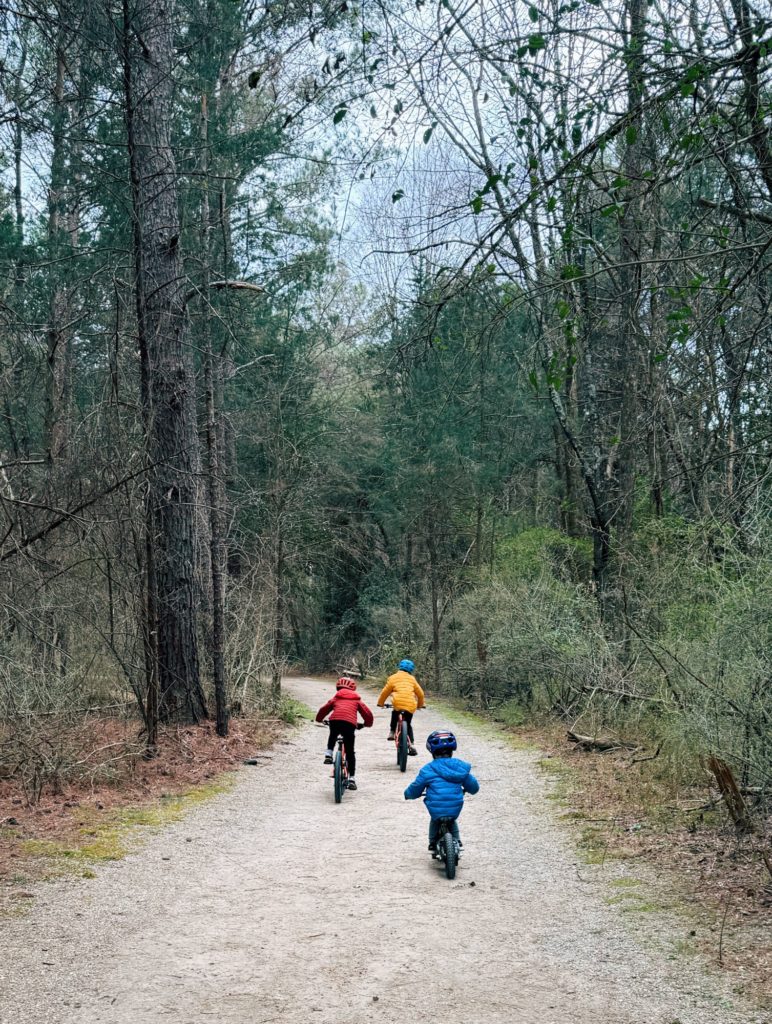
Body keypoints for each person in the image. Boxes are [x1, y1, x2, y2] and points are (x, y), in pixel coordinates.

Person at [404, 730, 479, 852]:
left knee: (435, 819)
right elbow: (474, 787)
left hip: (436, 809)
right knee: (451, 819)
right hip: (455, 807)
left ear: (432, 751)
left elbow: (416, 788)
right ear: (452, 751)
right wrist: (471, 789)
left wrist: (408, 794)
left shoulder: (428, 769)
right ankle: (458, 841)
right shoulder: (460, 768)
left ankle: (432, 842)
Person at [316, 677, 373, 791]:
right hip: (349, 724)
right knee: (350, 751)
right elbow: (367, 713)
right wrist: (367, 724)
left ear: (338, 687)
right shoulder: (357, 700)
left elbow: (324, 709)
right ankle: (352, 779)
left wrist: (319, 719)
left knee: (333, 734)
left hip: (335, 720)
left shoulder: (336, 698)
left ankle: (328, 753)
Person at [377, 658, 425, 756]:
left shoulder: (393, 678)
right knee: (408, 724)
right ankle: (411, 743)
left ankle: (392, 731)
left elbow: (384, 692)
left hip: (398, 703)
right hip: (410, 705)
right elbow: (420, 694)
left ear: (399, 667)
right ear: (411, 670)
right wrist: (420, 705)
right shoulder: (412, 679)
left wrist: (380, 703)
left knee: (395, 713)